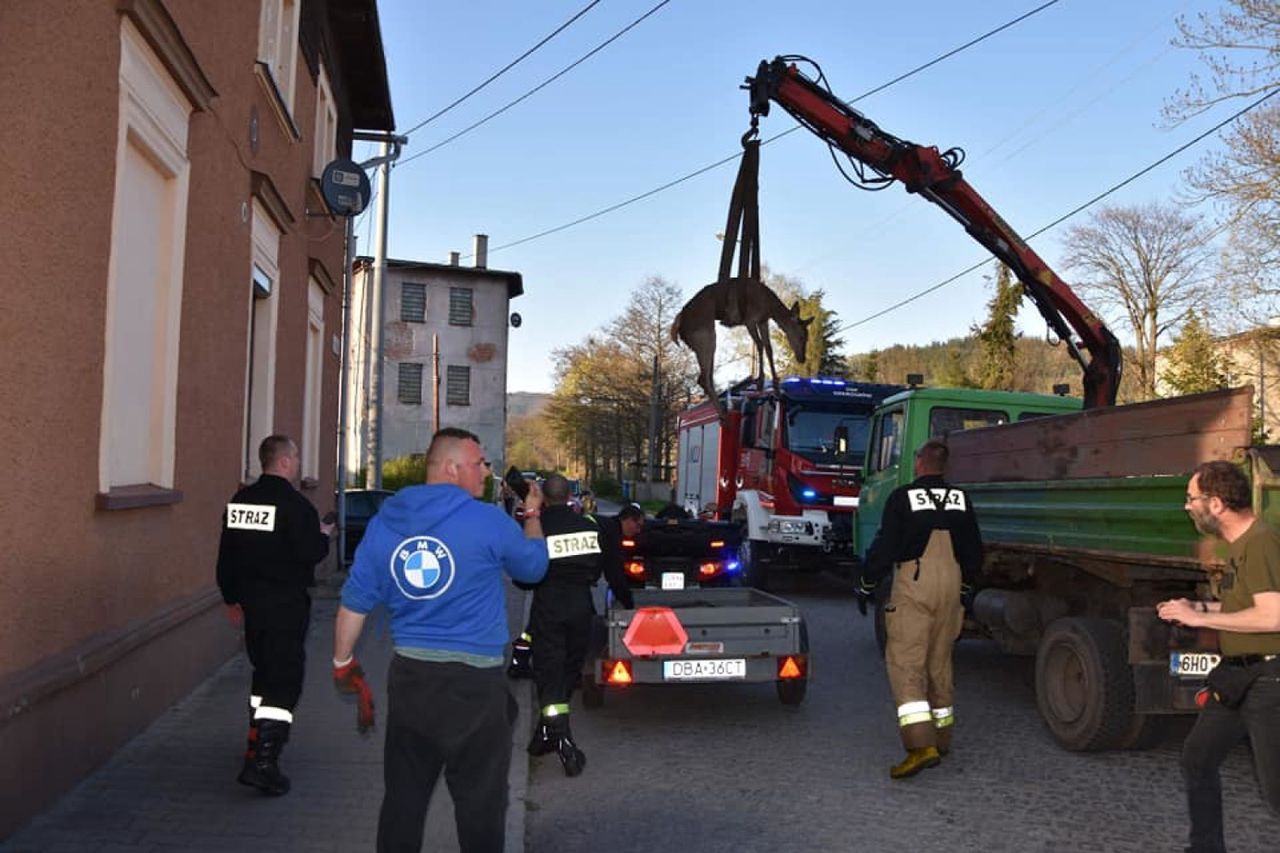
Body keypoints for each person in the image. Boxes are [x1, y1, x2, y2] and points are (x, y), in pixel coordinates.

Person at [333, 428, 547, 853]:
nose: (487, 471)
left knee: (404, 800)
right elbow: (533, 569)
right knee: (480, 805)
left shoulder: (386, 520)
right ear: (452, 468)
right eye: (479, 462)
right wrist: (533, 515)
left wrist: (342, 662)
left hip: (411, 681)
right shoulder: (487, 520)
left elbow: (354, 603)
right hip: (475, 689)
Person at [1156, 460, 1280, 853]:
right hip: (1236, 676)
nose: (1187, 506)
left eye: (1191, 498)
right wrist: (1195, 609)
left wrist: (1197, 615)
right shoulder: (1238, 545)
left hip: (1269, 679)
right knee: (1197, 758)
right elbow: (1243, 609)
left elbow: (1274, 616)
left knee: (1277, 790)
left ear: (1216, 504)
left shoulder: (1260, 542)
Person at [855, 439, 983, 779]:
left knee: (906, 663)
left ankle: (919, 747)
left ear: (920, 464)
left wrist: (866, 584)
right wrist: (965, 589)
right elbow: (974, 549)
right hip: (951, 583)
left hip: (916, 580)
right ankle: (941, 739)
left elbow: (885, 547)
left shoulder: (903, 498)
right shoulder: (960, 499)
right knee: (940, 663)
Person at [216, 434, 333, 796]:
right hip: (285, 607)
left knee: (263, 675)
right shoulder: (297, 507)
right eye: (295, 458)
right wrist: (324, 535)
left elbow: (226, 557)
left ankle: (255, 741)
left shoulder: (241, 501)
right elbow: (309, 553)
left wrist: (231, 599)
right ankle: (263, 763)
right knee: (283, 682)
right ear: (283, 461)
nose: (298, 464)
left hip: (252, 608)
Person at [525, 475, 636, 776]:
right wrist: (629, 602)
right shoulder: (590, 526)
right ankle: (544, 735)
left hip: (548, 608)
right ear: (570, 495)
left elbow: (524, 578)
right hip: (580, 609)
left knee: (550, 676)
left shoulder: (538, 527)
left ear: (545, 498)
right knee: (566, 675)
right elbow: (607, 568)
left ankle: (564, 745)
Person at [507, 502, 644, 680]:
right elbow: (614, 573)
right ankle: (574, 672)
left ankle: (520, 662)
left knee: (538, 623)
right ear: (627, 520)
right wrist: (628, 604)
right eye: (638, 525)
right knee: (581, 626)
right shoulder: (609, 531)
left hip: (552, 576)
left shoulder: (598, 523)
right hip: (571, 583)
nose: (638, 531)